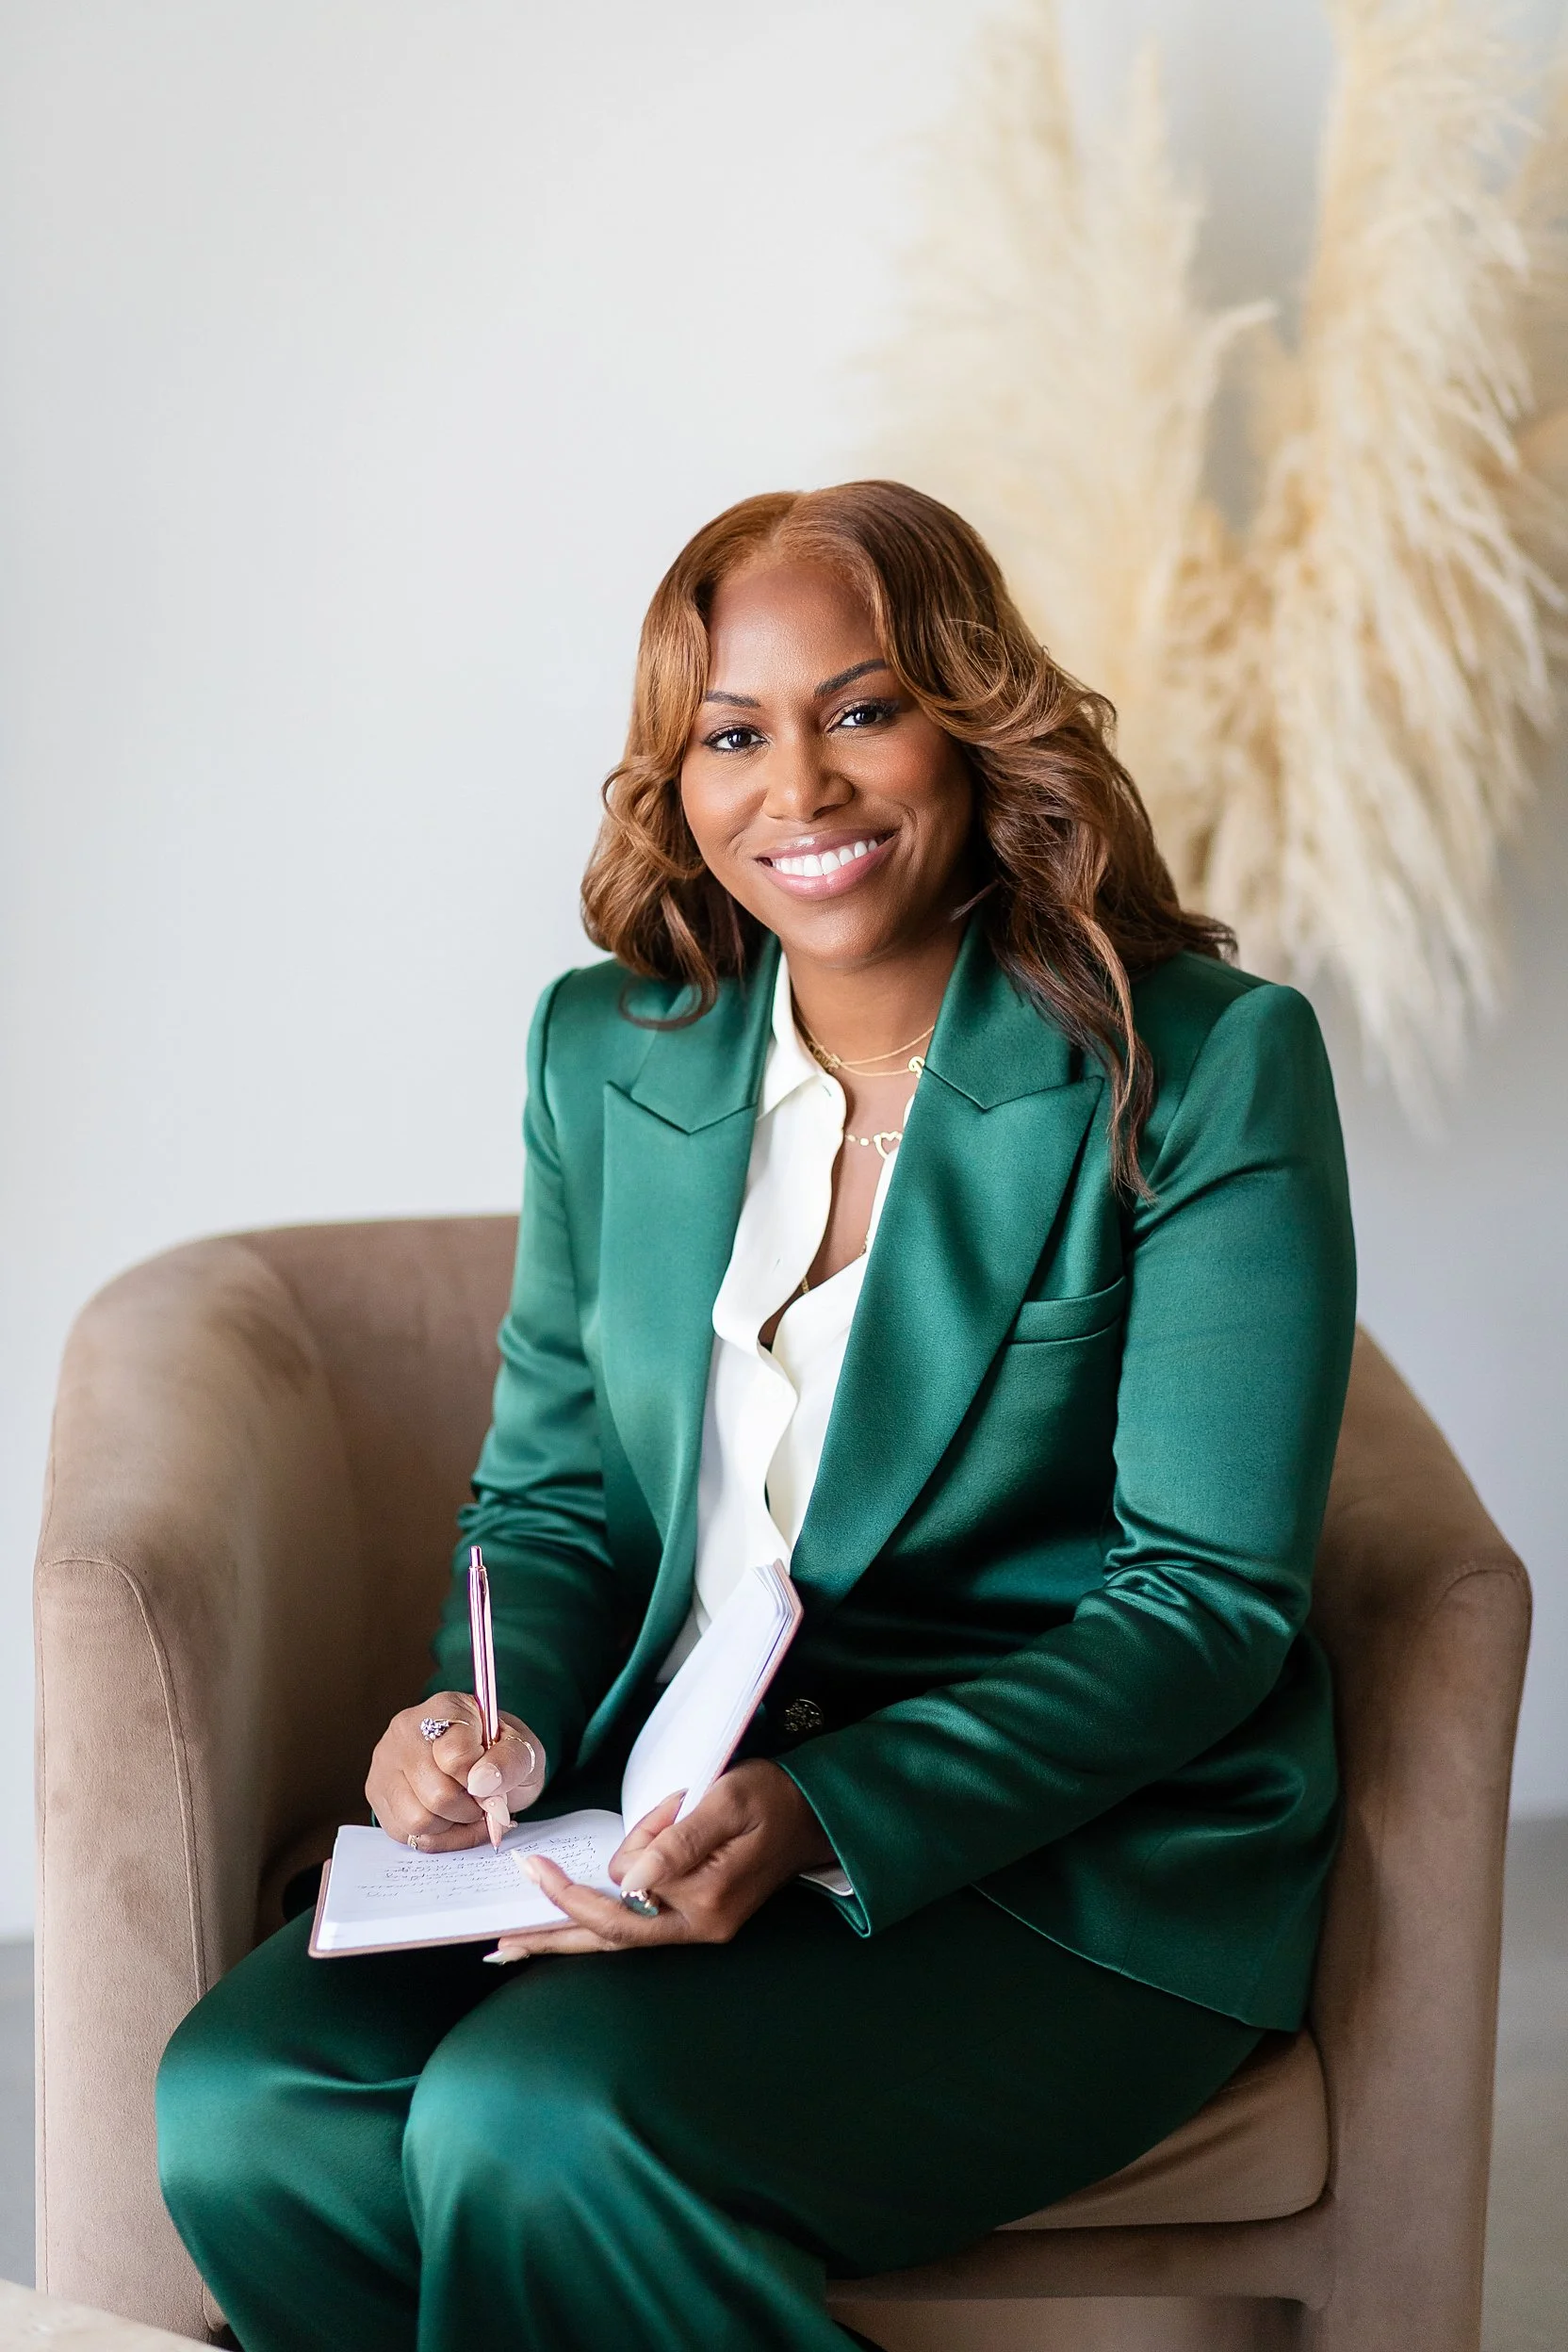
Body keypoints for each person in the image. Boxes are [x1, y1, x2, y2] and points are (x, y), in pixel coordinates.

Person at [156, 481, 1356, 2352]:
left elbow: (1203, 1602)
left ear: (973, 723)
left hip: (1059, 1875)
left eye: (861, 709)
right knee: (247, 2105)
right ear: (677, 774)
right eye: (732, 732)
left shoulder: (1202, 1068)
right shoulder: (606, 1055)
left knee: (538, 2118)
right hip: (649, 1799)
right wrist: (489, 1715)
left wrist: (817, 1815)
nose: (797, 786)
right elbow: (551, 1504)